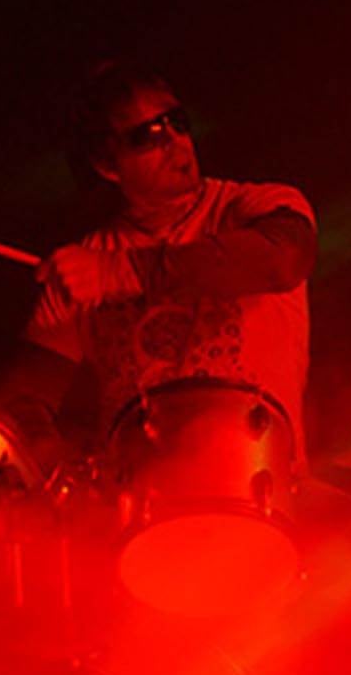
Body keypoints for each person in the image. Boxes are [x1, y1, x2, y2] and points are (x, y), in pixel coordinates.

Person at [17, 65, 317, 449]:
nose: (176, 141)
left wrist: (124, 273)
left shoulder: (255, 205)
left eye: (177, 121)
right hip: (136, 487)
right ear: (106, 165)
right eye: (149, 135)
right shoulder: (83, 265)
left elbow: (283, 260)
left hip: (259, 479)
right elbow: (25, 396)